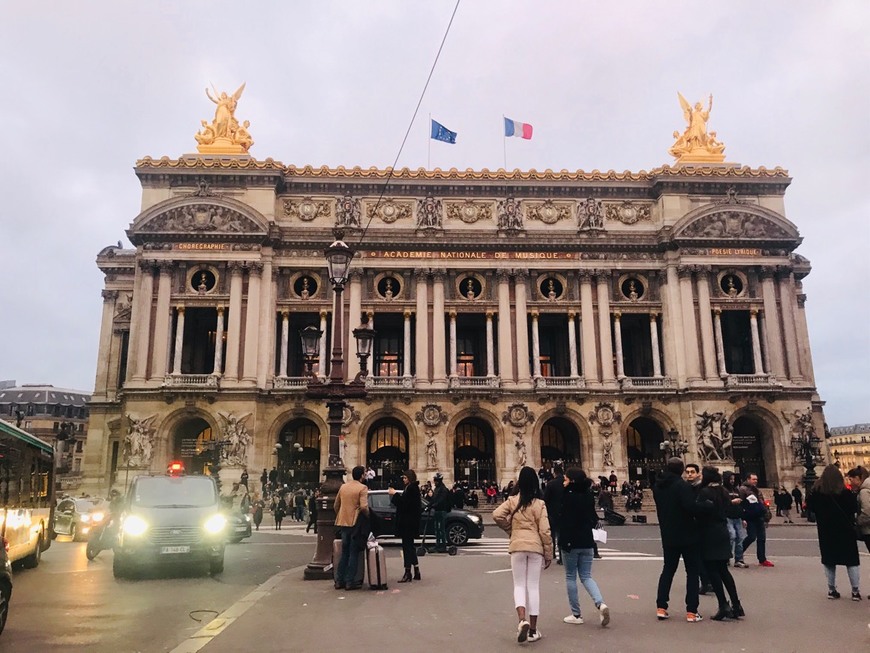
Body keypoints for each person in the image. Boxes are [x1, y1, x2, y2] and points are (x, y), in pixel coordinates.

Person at [493, 467, 553, 643]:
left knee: (519, 586)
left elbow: (496, 515)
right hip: (535, 548)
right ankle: (533, 631)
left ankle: (522, 621)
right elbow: (545, 531)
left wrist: (510, 530)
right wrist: (548, 554)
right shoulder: (539, 504)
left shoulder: (512, 501)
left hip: (518, 546)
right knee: (533, 587)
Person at [653, 457, 706, 622]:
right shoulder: (681, 486)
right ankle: (691, 611)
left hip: (668, 534)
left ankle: (661, 607)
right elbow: (690, 507)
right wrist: (706, 506)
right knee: (692, 572)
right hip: (688, 534)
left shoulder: (658, 486)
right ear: (682, 470)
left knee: (668, 570)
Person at [558, 468, 610, 627]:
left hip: (570, 542)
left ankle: (576, 614)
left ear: (572, 480)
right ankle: (600, 603)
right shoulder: (588, 495)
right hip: (587, 541)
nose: (563, 482)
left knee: (570, 577)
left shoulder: (566, 496)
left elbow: (562, 518)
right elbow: (593, 518)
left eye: (566, 479)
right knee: (587, 576)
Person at [807, 464, 862, 600]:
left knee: (829, 561)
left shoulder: (817, 493)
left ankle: (831, 589)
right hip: (845, 531)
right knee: (851, 561)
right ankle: (855, 591)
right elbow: (854, 509)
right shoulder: (845, 493)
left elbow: (810, 509)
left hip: (826, 531)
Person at [696, 466, 745, 620]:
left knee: (713, 571)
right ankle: (736, 605)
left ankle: (723, 605)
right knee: (724, 570)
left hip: (709, 533)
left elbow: (700, 512)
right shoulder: (724, 491)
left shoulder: (704, 492)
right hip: (722, 531)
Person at [334, 465, 369, 590]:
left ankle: (339, 580)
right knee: (353, 553)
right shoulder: (362, 488)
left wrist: (341, 515)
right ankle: (349, 582)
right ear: (361, 476)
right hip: (355, 524)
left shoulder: (343, 487)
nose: (365, 476)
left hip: (343, 523)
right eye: (364, 474)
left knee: (344, 553)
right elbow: (364, 507)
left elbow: (336, 505)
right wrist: (368, 517)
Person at [389, 469, 422, 583]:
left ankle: (408, 572)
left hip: (408, 523)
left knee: (407, 548)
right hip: (410, 523)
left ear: (410, 478)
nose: (403, 479)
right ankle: (416, 571)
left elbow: (405, 505)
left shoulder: (411, 489)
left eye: (405, 477)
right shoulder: (412, 488)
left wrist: (395, 495)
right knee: (410, 547)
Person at [684, 464, 712, 595]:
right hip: (692, 526)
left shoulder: (703, 489)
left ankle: (708, 581)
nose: (689, 474)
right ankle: (706, 581)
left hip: (703, 525)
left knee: (704, 556)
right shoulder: (685, 487)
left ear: (698, 474)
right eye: (687, 472)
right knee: (699, 556)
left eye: (692, 472)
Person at [740, 473, 774, 567]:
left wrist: (766, 516)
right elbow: (741, 504)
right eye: (753, 479)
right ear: (748, 479)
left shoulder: (757, 490)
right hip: (750, 517)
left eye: (756, 479)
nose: (755, 481)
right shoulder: (743, 489)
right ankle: (739, 553)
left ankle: (762, 559)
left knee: (762, 539)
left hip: (759, 516)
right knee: (751, 537)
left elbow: (762, 503)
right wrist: (743, 518)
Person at [722, 472, 748, 568]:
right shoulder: (723, 489)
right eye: (730, 479)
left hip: (737, 516)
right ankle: (726, 557)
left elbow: (741, 505)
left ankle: (739, 559)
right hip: (728, 516)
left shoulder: (736, 489)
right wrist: (731, 502)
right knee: (731, 536)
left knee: (740, 538)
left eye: (733, 479)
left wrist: (743, 518)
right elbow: (722, 503)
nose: (732, 481)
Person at [543, 464, 565, 565]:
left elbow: (545, 499)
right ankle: (562, 555)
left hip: (552, 513)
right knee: (562, 534)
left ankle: (552, 554)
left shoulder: (551, 484)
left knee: (552, 534)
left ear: (554, 472)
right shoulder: (566, 483)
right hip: (564, 512)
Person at [846, 466, 870, 560]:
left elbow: (867, 512)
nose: (850, 483)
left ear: (857, 478)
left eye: (851, 480)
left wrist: (857, 523)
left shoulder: (864, 492)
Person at [429, 472, 451, 552]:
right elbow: (434, 499)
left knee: (441, 529)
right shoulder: (436, 488)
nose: (434, 482)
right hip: (437, 510)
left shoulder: (443, 489)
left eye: (436, 480)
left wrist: (434, 505)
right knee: (437, 529)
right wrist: (429, 505)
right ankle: (438, 544)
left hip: (442, 510)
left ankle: (443, 545)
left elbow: (441, 500)